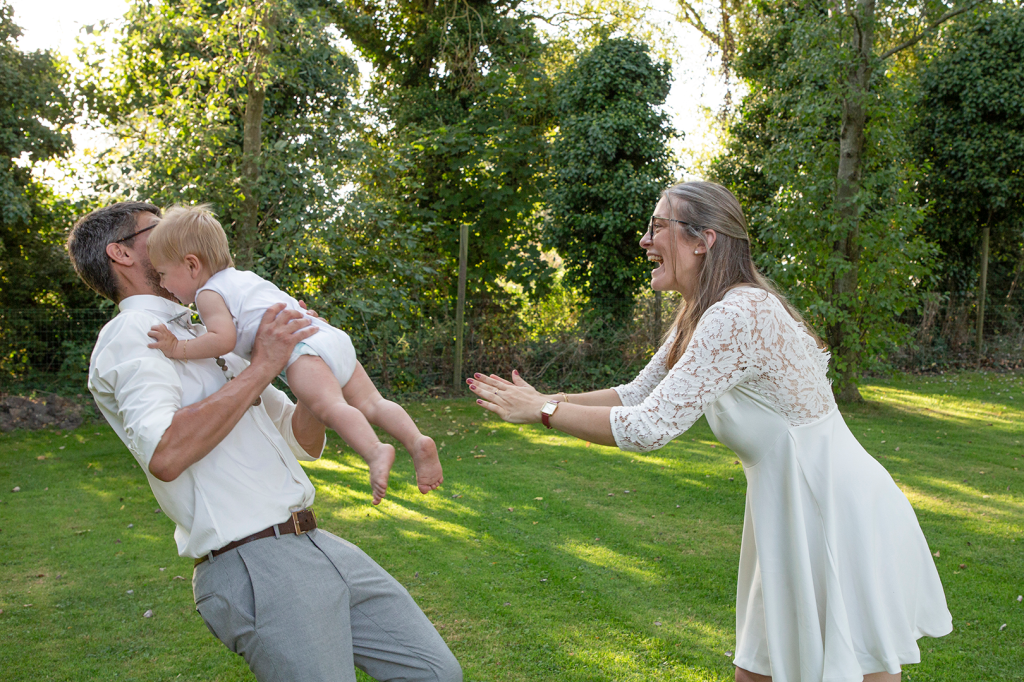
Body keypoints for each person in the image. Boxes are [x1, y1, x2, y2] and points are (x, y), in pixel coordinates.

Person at [467, 181, 951, 682]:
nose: (644, 240)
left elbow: (649, 427)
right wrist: (548, 399)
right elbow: (636, 394)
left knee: (856, 669)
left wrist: (543, 410)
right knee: (757, 672)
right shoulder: (704, 312)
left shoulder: (736, 315)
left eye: (658, 226)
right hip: (787, 509)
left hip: (829, 509)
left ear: (704, 240)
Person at [68, 202, 462, 682]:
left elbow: (299, 439)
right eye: (156, 228)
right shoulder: (133, 334)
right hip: (252, 561)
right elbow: (164, 454)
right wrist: (262, 365)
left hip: (314, 541)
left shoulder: (208, 330)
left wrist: (304, 355)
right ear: (121, 254)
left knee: (435, 673)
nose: (172, 231)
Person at [144, 204, 441, 505]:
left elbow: (222, 339)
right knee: (373, 402)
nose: (163, 284)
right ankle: (418, 442)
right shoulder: (244, 278)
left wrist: (177, 347)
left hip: (302, 350)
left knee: (331, 407)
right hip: (327, 335)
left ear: (192, 265)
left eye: (164, 273)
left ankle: (375, 451)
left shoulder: (208, 294)